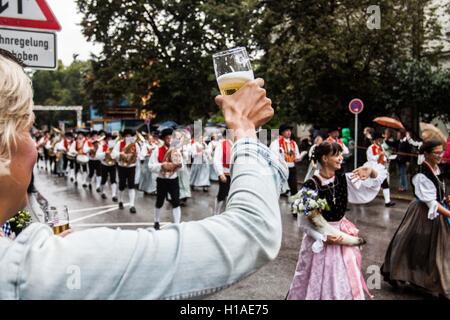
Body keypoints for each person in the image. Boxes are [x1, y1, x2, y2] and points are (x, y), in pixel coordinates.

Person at [0, 52, 287, 299]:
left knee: (170, 202)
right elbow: (252, 232)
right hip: (132, 171)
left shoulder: (26, 263)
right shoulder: (29, 267)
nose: (35, 148)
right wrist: (245, 129)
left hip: (163, 177)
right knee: (147, 196)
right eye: (27, 128)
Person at [287, 141, 386, 300]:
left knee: (344, 279)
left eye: (341, 154)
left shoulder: (344, 179)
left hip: (342, 235)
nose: (341, 158)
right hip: (320, 239)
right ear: (325, 158)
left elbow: (373, 184)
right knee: (318, 279)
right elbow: (303, 223)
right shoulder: (310, 186)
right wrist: (324, 237)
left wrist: (371, 171)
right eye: (337, 155)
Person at [381, 139, 450, 299]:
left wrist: (446, 199)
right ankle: (397, 273)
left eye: (441, 152)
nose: (440, 155)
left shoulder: (437, 168)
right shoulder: (420, 173)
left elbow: (437, 193)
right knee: (412, 245)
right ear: (426, 154)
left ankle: (438, 283)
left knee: (437, 248)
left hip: (436, 210)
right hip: (422, 213)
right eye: (436, 153)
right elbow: (430, 201)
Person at [148, 128, 183, 230]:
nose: (170, 140)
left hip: (173, 179)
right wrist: (161, 166)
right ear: (164, 139)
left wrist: (178, 165)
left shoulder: (176, 151)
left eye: (171, 137)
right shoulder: (157, 150)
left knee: (176, 201)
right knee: (160, 201)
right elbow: (150, 166)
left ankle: (177, 224)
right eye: (167, 138)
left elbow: (182, 167)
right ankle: (156, 221)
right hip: (162, 179)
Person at [270, 124, 302, 201]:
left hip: (292, 168)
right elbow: (273, 156)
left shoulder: (293, 143)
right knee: (277, 189)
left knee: (294, 189)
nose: (289, 132)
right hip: (281, 169)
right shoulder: (276, 143)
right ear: (282, 132)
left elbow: (297, 157)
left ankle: (295, 208)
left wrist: (299, 158)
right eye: (286, 130)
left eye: (290, 130)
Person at [111, 129, 140, 214]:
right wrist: (120, 154)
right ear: (124, 136)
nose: (128, 137)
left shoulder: (135, 144)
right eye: (127, 136)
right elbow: (113, 154)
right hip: (122, 167)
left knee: (131, 185)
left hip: (131, 167)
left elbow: (140, 155)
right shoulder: (119, 143)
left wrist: (135, 156)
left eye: (130, 136)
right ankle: (120, 201)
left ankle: (132, 205)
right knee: (122, 185)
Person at [366, 132, 395, 207]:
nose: (381, 140)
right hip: (374, 168)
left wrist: (385, 159)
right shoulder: (371, 148)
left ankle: (387, 202)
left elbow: (383, 157)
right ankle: (364, 199)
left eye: (381, 139)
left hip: (380, 168)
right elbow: (371, 158)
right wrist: (379, 156)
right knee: (370, 185)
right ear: (375, 140)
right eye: (379, 139)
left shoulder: (379, 147)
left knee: (385, 184)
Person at [212, 130, 233, 215]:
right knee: (222, 194)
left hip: (234, 174)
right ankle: (216, 213)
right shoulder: (222, 144)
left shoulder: (237, 144)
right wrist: (220, 173)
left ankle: (227, 213)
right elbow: (217, 160)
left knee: (231, 195)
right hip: (225, 173)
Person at [97, 133, 118, 202]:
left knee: (113, 179)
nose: (109, 140)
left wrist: (113, 155)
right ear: (105, 140)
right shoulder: (102, 146)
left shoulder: (115, 147)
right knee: (104, 179)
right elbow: (97, 156)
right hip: (104, 164)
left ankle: (114, 195)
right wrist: (105, 153)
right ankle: (103, 192)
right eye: (107, 139)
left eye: (110, 139)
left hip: (112, 164)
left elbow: (117, 155)